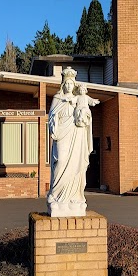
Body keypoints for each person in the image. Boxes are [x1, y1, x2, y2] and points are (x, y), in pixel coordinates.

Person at [47, 67, 91, 217]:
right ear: (62, 84)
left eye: (71, 84)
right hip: (62, 134)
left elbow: (86, 113)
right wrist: (54, 127)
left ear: (74, 85)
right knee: (61, 160)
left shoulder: (79, 98)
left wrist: (84, 116)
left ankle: (73, 197)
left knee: (75, 165)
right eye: (66, 84)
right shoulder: (57, 98)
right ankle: (57, 195)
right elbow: (52, 115)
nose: (68, 86)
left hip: (76, 134)